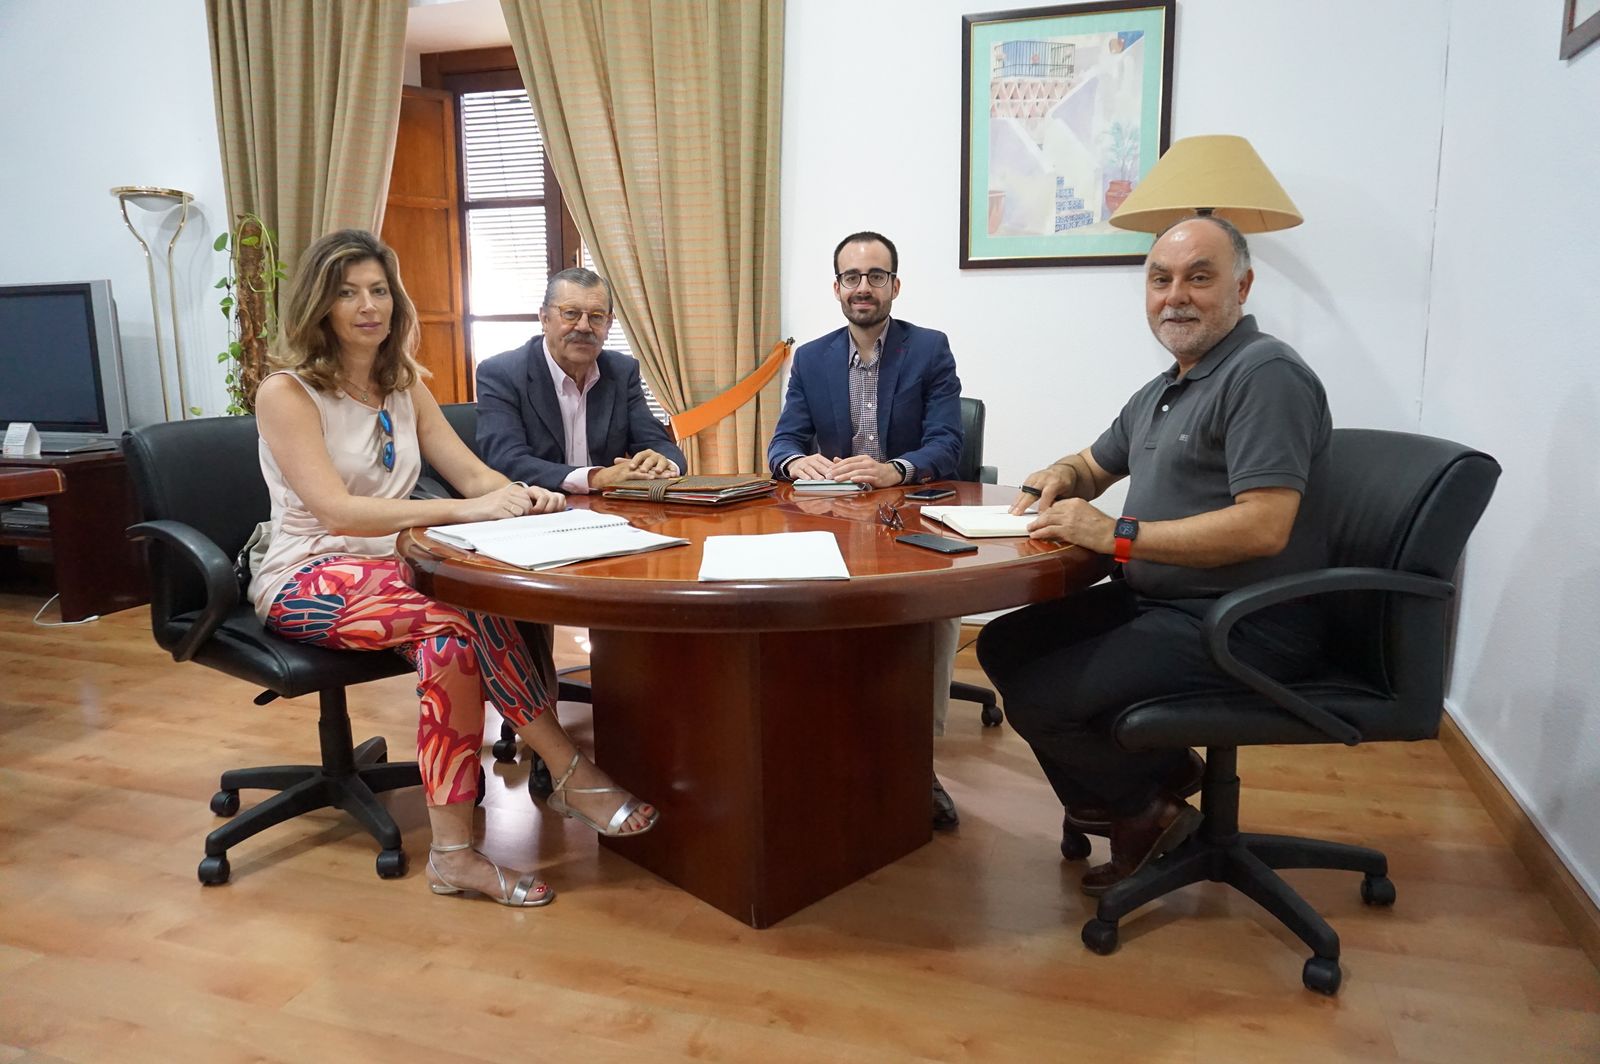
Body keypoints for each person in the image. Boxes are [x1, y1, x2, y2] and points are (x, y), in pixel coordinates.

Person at [248, 230, 658, 909]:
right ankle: (569, 770)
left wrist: (524, 497)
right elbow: (338, 511)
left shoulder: (402, 383)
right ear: (320, 304)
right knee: (460, 611)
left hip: (400, 568)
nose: (367, 305)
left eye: (378, 289)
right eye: (348, 292)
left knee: (450, 643)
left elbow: (470, 472)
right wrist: (469, 513)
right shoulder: (287, 392)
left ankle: (452, 857)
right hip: (309, 575)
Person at [976, 215, 1332, 896]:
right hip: (1164, 601)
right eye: (1160, 279)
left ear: (1243, 287)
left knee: (1043, 694)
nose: (1176, 296)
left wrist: (1115, 535)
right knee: (1004, 646)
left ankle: (1146, 812)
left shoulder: (1266, 377)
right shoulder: (1167, 387)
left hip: (1240, 622)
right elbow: (1090, 461)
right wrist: (1060, 475)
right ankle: (1156, 777)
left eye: (1200, 277)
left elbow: (1264, 528)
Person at [766, 230, 967, 829]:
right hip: (832, 519)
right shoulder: (814, 357)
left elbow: (947, 443)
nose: (863, 287)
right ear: (836, 288)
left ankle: (918, 762)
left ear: (894, 287)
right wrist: (794, 461)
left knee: (934, 610)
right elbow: (783, 438)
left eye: (875, 276)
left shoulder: (929, 349)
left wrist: (893, 470)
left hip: (904, 513)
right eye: (851, 277)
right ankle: (821, 746)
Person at [476, 267, 686, 495]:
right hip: (534, 511)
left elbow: (657, 443)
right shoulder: (502, 373)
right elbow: (506, 461)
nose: (584, 327)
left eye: (596, 317)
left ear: (608, 325)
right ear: (544, 318)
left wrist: (661, 463)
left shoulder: (621, 371)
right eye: (571, 313)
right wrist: (595, 477)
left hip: (608, 513)